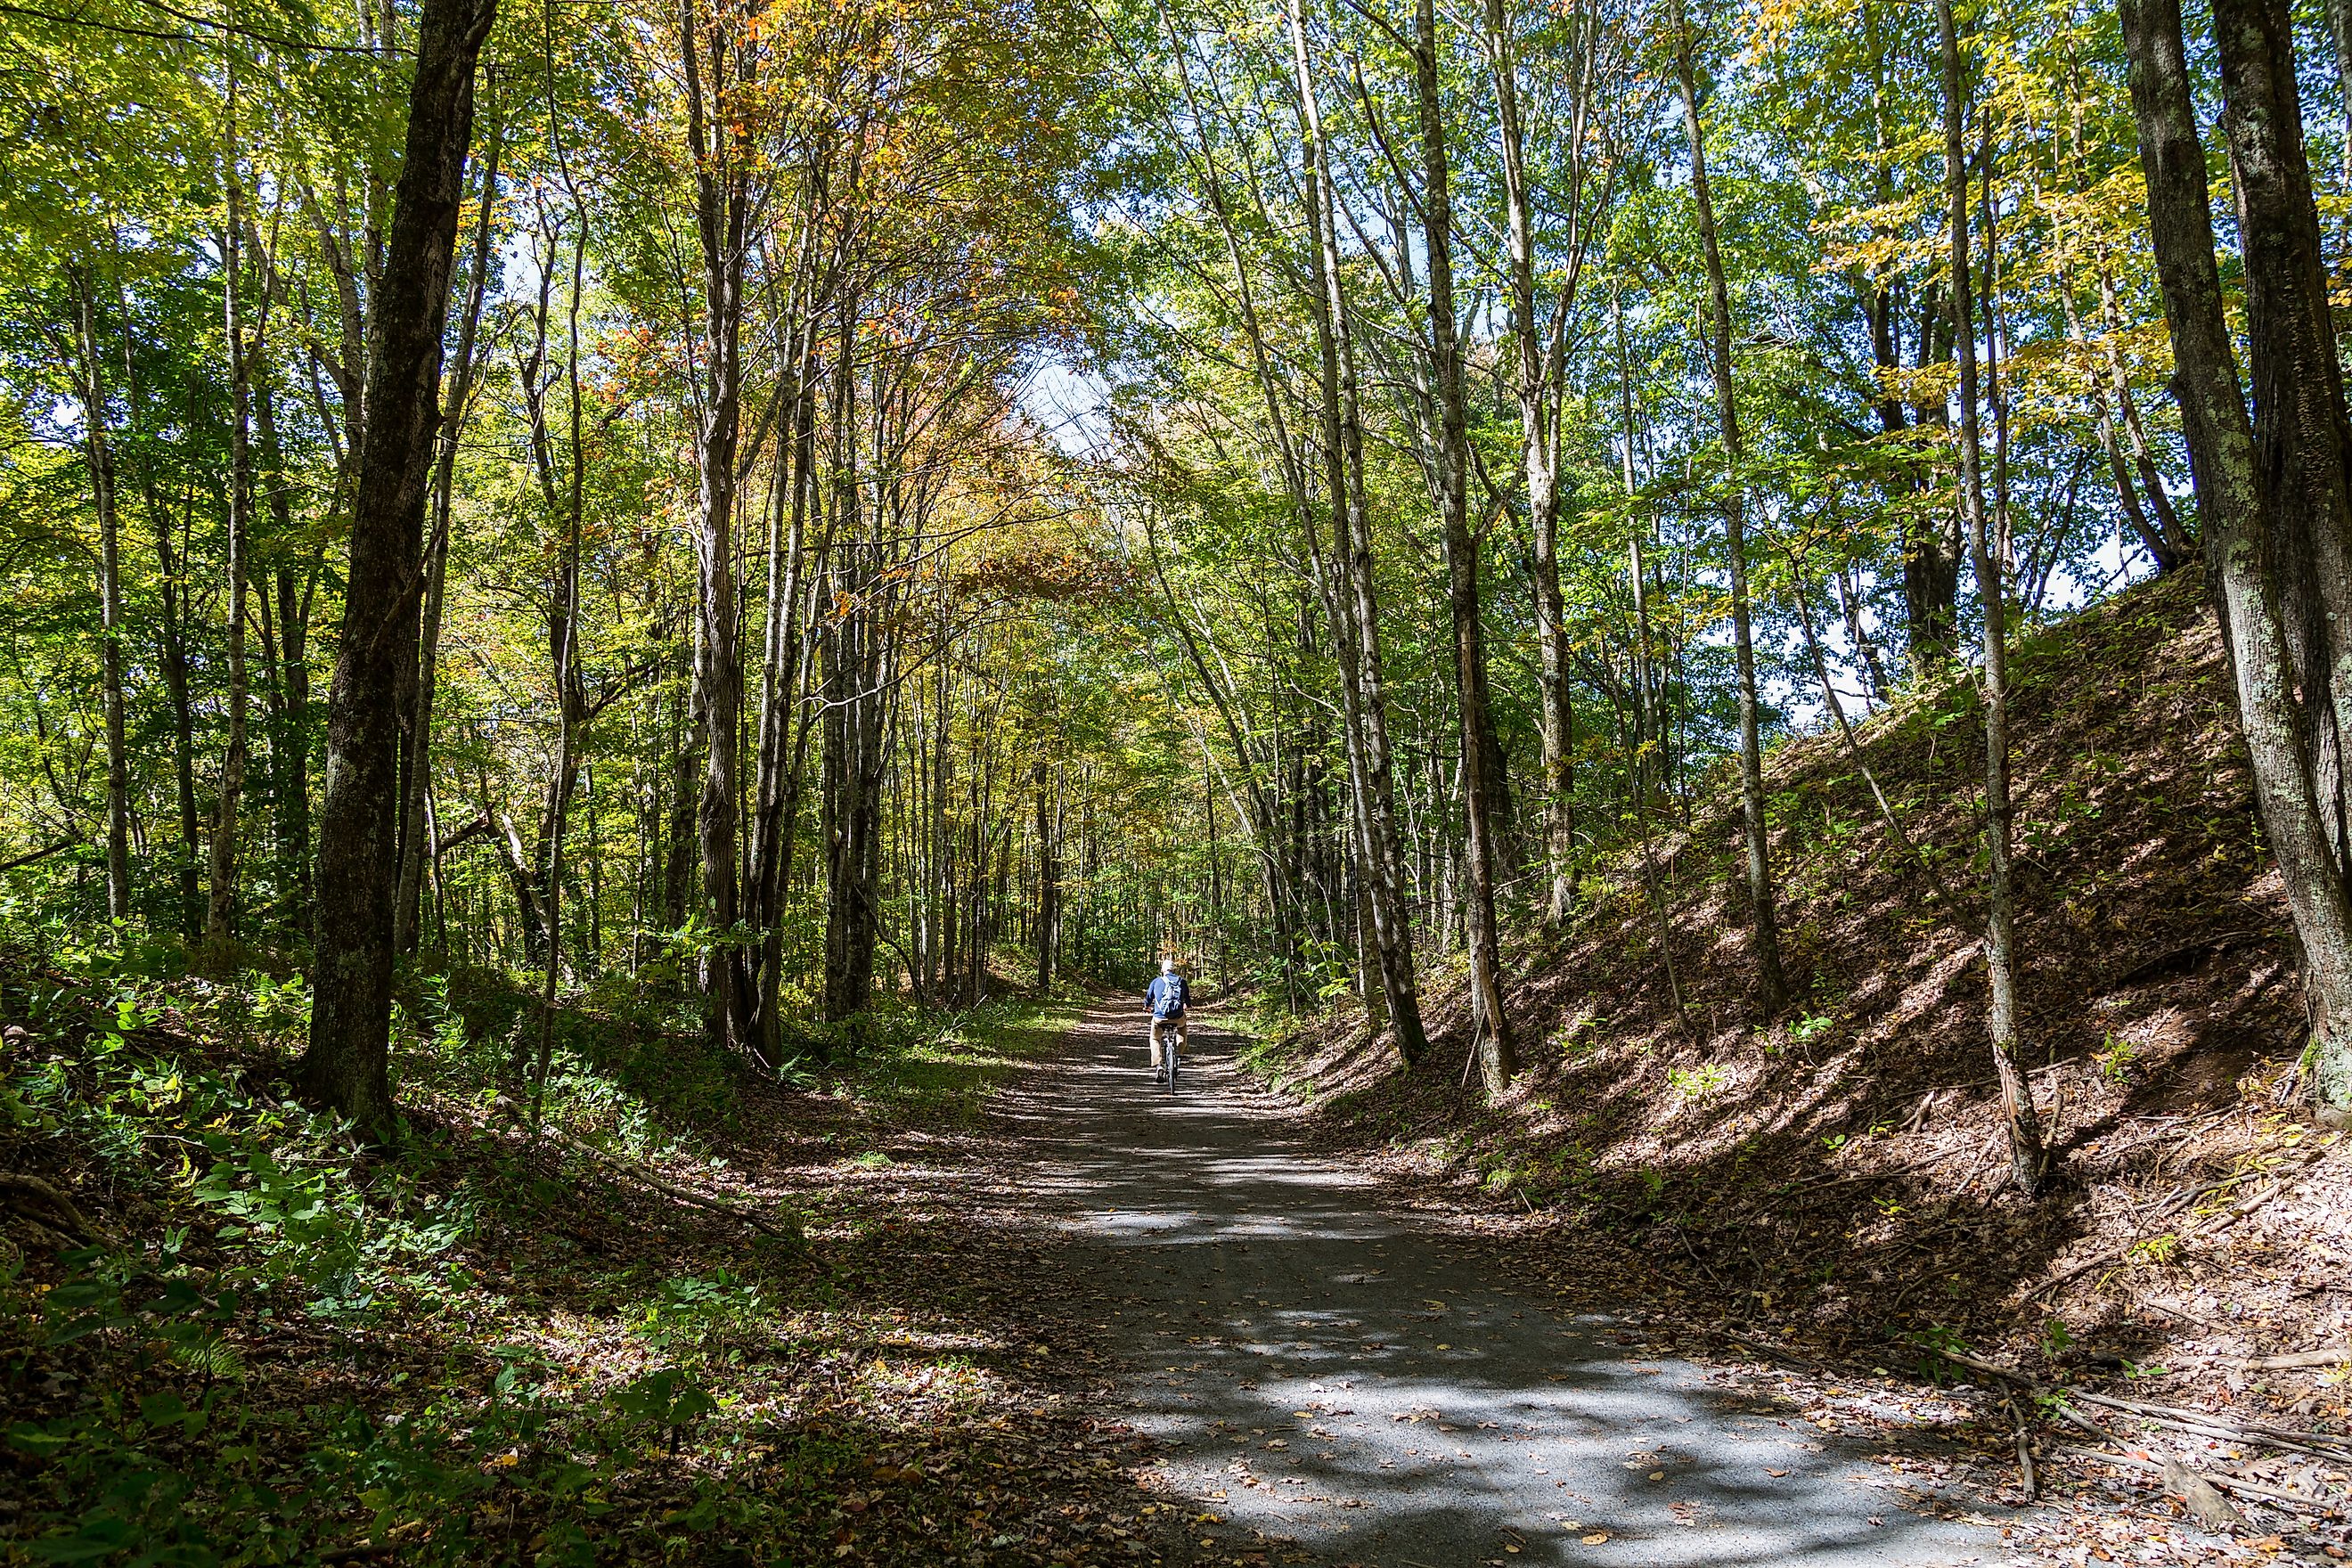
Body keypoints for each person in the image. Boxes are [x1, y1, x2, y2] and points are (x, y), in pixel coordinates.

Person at [1145, 958, 1190, 1081]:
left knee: (1154, 1038)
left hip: (1160, 1018)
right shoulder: (1182, 981)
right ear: (1174, 970)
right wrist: (1186, 1006)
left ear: (1162, 970)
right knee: (1182, 1028)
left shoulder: (1156, 982)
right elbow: (1188, 1000)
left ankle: (1159, 1065)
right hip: (1177, 1017)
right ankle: (1179, 1054)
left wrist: (1147, 1007)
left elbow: (1148, 999)